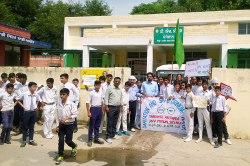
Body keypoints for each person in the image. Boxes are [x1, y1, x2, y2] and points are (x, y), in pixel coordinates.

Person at [55, 88, 78, 165]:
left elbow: (76, 114)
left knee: (68, 141)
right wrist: (57, 126)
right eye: (61, 94)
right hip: (61, 126)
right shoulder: (59, 104)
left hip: (69, 125)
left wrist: (66, 118)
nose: (62, 96)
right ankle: (60, 155)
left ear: (67, 95)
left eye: (63, 94)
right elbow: (58, 116)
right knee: (60, 141)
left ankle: (74, 146)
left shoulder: (71, 104)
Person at [16, 82, 41, 147]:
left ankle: (31, 140)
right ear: (29, 87)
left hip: (33, 112)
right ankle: (24, 141)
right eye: (33, 87)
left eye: (35, 87)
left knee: (31, 126)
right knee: (25, 127)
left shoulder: (36, 94)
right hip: (26, 112)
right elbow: (17, 99)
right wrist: (22, 105)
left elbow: (38, 100)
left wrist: (36, 105)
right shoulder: (25, 94)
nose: (34, 88)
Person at [210, 77, 232, 145]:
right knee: (214, 125)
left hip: (220, 112)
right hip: (214, 112)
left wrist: (224, 117)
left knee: (222, 126)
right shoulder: (210, 91)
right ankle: (214, 137)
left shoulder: (222, 96)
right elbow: (211, 104)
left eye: (216, 83)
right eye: (213, 84)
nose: (214, 85)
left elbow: (223, 106)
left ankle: (226, 138)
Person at [104, 77, 123, 144]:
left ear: (120, 82)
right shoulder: (110, 88)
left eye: (118, 81)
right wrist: (106, 107)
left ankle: (113, 134)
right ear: (114, 81)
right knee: (110, 122)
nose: (117, 82)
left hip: (118, 108)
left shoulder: (120, 90)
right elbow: (106, 98)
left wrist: (121, 106)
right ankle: (108, 137)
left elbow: (121, 99)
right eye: (116, 81)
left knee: (115, 122)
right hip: (111, 107)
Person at [196, 80, 215, 146]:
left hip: (206, 109)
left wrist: (209, 102)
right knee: (200, 123)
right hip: (199, 108)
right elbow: (196, 99)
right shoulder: (199, 92)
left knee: (207, 124)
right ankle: (200, 137)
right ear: (202, 85)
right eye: (203, 84)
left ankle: (210, 138)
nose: (204, 86)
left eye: (205, 84)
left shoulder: (210, 93)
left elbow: (212, 102)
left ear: (207, 85)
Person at [86, 81, 104, 147]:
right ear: (94, 86)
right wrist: (88, 112)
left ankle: (96, 138)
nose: (97, 86)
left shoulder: (101, 93)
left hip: (99, 109)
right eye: (96, 85)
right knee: (91, 125)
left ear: (100, 86)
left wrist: (102, 110)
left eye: (98, 85)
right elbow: (87, 102)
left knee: (97, 125)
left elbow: (102, 101)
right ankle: (90, 139)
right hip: (93, 109)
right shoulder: (91, 93)